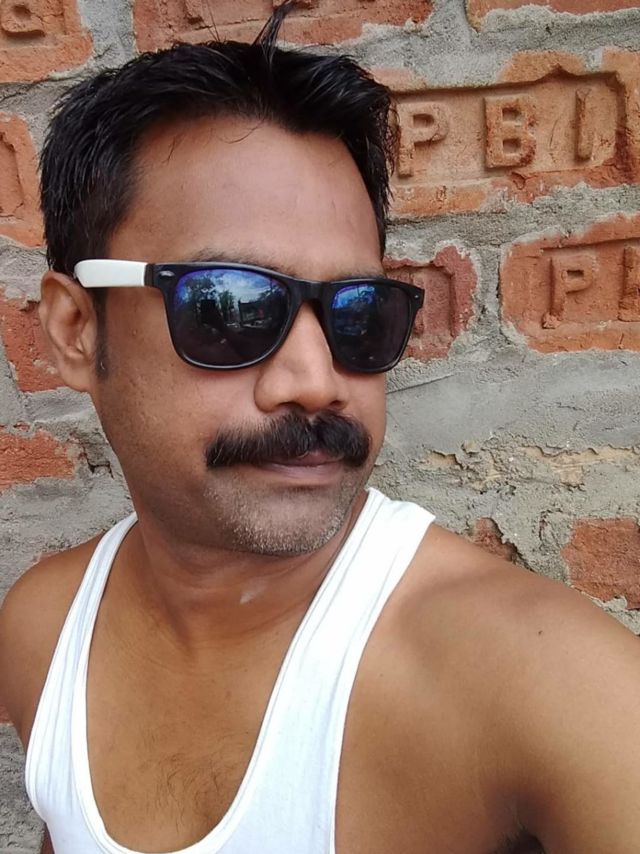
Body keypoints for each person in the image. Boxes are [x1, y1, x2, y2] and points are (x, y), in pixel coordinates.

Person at [1, 4, 640, 853]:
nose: (317, 382)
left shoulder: (551, 688)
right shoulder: (43, 631)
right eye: (229, 306)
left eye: (358, 313)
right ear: (77, 330)